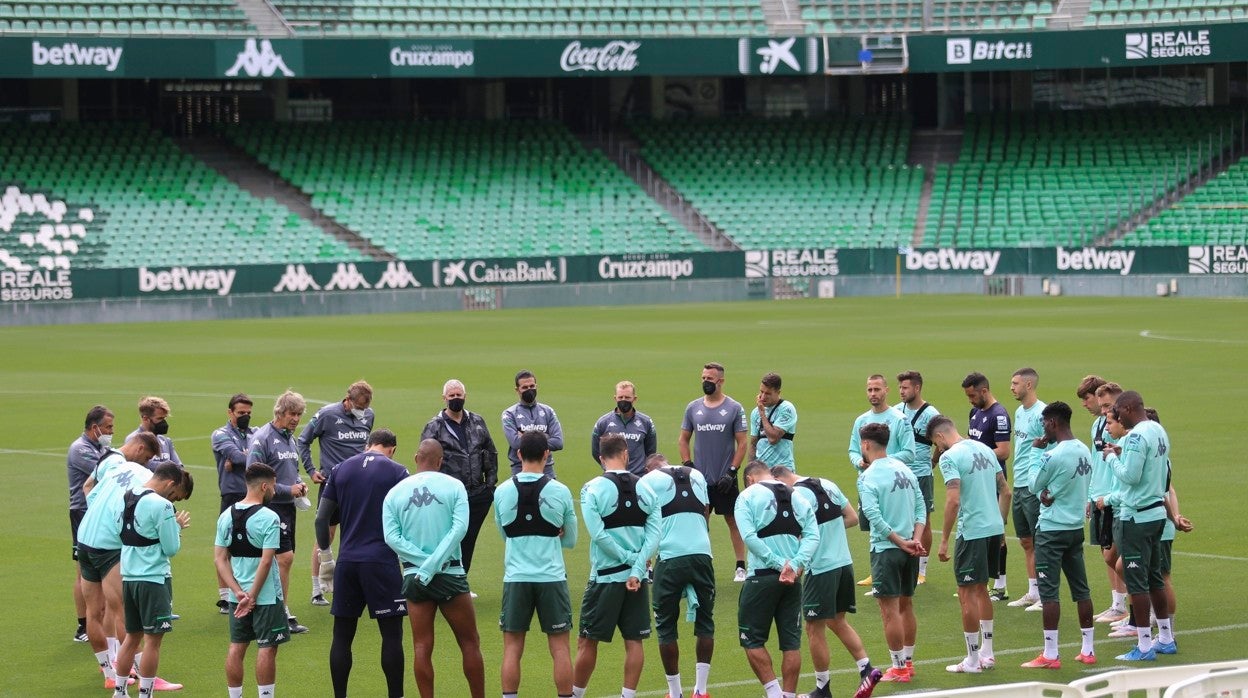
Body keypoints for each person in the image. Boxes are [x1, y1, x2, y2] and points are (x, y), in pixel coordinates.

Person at [382, 439, 485, 698]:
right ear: (440, 461)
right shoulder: (454, 486)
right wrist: (435, 563)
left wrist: (423, 563)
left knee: (421, 646)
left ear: (417, 457)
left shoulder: (395, 493)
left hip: (415, 577)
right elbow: (459, 529)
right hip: (450, 574)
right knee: (470, 643)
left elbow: (391, 538)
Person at [769, 466, 881, 698]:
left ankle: (823, 689)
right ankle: (866, 669)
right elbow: (851, 517)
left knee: (813, 628)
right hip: (844, 563)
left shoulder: (796, 495)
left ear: (779, 480)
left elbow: (798, 534)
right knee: (837, 621)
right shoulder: (828, 483)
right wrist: (829, 532)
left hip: (820, 569)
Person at [314, 429, 409, 698]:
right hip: (382, 562)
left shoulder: (340, 469)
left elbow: (322, 519)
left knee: (342, 636)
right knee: (391, 636)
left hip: (347, 562)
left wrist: (325, 558)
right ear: (391, 448)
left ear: (368, 445)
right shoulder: (397, 472)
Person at [571, 434, 661, 698]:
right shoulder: (647, 489)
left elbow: (598, 535)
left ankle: (575, 695)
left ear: (601, 458)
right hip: (637, 580)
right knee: (634, 641)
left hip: (604, 579)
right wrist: (636, 568)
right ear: (626, 454)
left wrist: (625, 559)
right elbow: (654, 535)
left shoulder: (591, 489)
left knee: (587, 641)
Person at [494, 431, 578, 698]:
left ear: (518, 454)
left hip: (516, 577)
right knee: (560, 648)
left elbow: (505, 534)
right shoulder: (561, 491)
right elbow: (571, 540)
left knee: (512, 648)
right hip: (551, 577)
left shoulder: (502, 491)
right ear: (547, 454)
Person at [77, 433, 159, 690]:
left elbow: (88, 487)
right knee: (124, 610)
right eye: (146, 457)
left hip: (86, 539)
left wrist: (98, 511)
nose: (145, 463)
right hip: (108, 546)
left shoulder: (108, 462)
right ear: (139, 447)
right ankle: (141, 671)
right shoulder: (130, 468)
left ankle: (108, 671)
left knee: (95, 611)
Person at [1021, 401, 1097, 669]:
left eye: (1044, 424)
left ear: (1052, 423)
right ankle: (1088, 649)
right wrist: (1050, 491)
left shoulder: (1052, 455)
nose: (1043, 429)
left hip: (1052, 531)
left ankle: (1050, 655)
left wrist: (1034, 451)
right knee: (1081, 590)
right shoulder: (1084, 450)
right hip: (1076, 529)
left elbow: (1032, 484)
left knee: (1049, 593)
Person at [928, 416, 1006, 675]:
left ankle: (972, 661)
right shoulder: (984, 448)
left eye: (935, 444)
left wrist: (943, 540)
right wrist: (1001, 525)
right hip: (994, 528)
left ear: (939, 437)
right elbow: (1005, 491)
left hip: (972, 531)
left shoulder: (950, 458)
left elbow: (953, 501)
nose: (937, 449)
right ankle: (988, 652)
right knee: (982, 589)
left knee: (966, 593)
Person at [734, 460, 819, 698]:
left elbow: (749, 538)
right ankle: (789, 695)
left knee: (751, 640)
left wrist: (779, 564)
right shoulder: (797, 496)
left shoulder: (747, 497)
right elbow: (813, 534)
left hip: (761, 578)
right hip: (792, 581)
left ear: (750, 479)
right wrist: (795, 564)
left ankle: (773, 693)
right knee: (791, 643)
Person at [1103, 390, 1175, 661]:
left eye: (1119, 412)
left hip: (1137, 517)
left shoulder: (1135, 435)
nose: (1117, 417)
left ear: (1130, 408)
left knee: (1137, 582)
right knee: (1155, 577)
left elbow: (1130, 476)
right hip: (1157, 513)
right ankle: (1166, 638)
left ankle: (1144, 646)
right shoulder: (1158, 431)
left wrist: (1112, 458)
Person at [112, 463, 193, 698]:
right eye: (174, 493)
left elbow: (122, 532)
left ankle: (120, 691)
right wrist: (175, 527)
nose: (173, 499)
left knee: (132, 636)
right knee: (153, 641)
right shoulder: (162, 505)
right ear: (171, 483)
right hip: (154, 579)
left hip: (129, 576)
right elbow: (171, 548)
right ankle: (145, 693)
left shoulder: (126, 496)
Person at [639, 454, 716, 698]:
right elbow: (705, 513)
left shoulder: (648, 480)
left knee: (666, 626)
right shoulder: (696, 474)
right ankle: (701, 691)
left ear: (649, 469)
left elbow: (645, 521)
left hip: (670, 558)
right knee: (706, 622)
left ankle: (674, 693)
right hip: (703, 555)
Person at [857, 424, 925, 684]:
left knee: (889, 610)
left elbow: (873, 516)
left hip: (887, 550)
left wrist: (898, 541)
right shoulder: (905, 469)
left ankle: (897, 668)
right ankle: (908, 662)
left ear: (866, 445)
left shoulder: (868, 476)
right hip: (911, 547)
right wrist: (914, 540)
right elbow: (920, 506)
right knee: (907, 604)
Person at [299, 380, 375, 606]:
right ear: (348, 400)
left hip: (360, 486)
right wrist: (311, 470)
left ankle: (353, 585)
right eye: (359, 406)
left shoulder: (369, 416)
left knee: (357, 535)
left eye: (366, 407)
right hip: (333, 485)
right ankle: (317, 588)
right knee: (326, 535)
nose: (363, 411)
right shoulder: (327, 414)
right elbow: (303, 441)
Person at [213, 463, 287, 698]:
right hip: (264, 596)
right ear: (264, 486)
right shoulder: (269, 517)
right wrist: (253, 596)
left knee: (237, 647)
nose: (274, 492)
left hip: (239, 597)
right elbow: (266, 562)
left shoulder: (225, 516)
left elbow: (220, 560)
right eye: (273, 487)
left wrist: (238, 593)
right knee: (267, 647)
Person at [679, 362, 750, 582]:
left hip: (725, 478)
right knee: (700, 521)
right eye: (703, 378)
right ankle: (700, 563)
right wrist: (688, 465)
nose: (705, 382)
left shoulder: (734, 408)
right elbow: (683, 439)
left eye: (709, 378)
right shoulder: (693, 408)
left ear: (721, 381)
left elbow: (743, 443)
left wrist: (731, 472)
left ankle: (740, 566)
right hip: (700, 479)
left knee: (733, 520)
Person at [247, 390, 310, 635]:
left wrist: (299, 484)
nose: (296, 419)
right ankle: (280, 611)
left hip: (286, 508)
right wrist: (288, 489)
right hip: (268, 509)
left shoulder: (289, 438)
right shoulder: (262, 438)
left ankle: (270, 607)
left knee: (280, 559)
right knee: (284, 558)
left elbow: (290, 470)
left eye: (299, 414)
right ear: (280, 413)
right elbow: (253, 476)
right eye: (292, 414)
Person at [421, 379, 498, 579]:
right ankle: (443, 576)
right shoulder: (434, 426)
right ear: (444, 398)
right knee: (449, 537)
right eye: (452, 396)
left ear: (465, 396)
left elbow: (490, 451)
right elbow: (426, 459)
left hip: (478, 493)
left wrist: (490, 485)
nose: (456, 399)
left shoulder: (477, 421)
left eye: (459, 395)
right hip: (448, 495)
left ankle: (461, 577)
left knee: (469, 537)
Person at [848, 375, 914, 590]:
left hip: (893, 484)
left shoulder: (899, 419)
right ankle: (877, 572)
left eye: (877, 389)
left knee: (893, 523)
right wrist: (860, 461)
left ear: (887, 390)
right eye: (869, 390)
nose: (873, 394)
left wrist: (882, 462)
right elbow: (852, 450)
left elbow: (909, 453)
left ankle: (900, 571)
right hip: (868, 481)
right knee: (873, 526)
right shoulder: (861, 420)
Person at [963, 372, 1012, 601]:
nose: (970, 400)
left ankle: (1000, 585)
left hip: (993, 479)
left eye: (972, 395)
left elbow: (1003, 451)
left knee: (995, 532)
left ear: (984, 391)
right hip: (977, 479)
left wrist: (975, 453)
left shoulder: (999, 415)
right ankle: (980, 582)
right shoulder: (975, 412)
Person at [69, 404, 115, 643]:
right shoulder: (80, 449)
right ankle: (83, 625)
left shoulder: (101, 447)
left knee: (99, 570)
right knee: (83, 571)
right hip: (83, 511)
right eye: (108, 427)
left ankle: (101, 619)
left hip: (99, 511)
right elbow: (107, 473)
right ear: (95, 427)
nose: (111, 432)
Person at [1006, 368, 1051, 612]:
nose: (1012, 387)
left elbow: (1049, 447)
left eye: (1015, 383)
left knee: (1040, 540)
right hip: (1019, 483)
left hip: (1034, 485)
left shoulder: (1041, 413)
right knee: (1025, 540)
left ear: (1029, 385)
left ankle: (1046, 594)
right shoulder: (1019, 412)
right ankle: (1033, 592)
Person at [1087, 380, 1129, 624]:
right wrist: (1091, 494)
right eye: (1101, 406)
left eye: (1107, 405)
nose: (1104, 411)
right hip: (1101, 494)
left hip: (1116, 498)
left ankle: (1133, 611)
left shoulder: (1127, 433)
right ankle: (1118, 604)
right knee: (1108, 555)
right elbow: (1095, 459)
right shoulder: (1100, 424)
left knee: (1119, 557)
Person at [895, 371, 940, 584]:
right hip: (899, 475)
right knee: (896, 518)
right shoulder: (896, 411)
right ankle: (896, 565)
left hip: (921, 474)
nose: (902, 391)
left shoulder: (931, 414)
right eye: (900, 388)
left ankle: (922, 569)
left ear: (917, 388)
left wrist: (932, 462)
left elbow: (942, 441)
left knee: (924, 520)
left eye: (905, 388)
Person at [214, 394, 256, 614]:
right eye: (241, 413)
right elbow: (239, 458)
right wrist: (246, 456)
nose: (245, 417)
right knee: (227, 545)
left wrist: (242, 457)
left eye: (248, 413)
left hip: (254, 494)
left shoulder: (255, 433)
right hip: (232, 494)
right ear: (230, 412)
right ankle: (224, 597)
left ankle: (248, 590)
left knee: (252, 544)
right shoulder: (220, 434)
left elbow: (246, 459)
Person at [502, 370, 564, 478]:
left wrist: (525, 437)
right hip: (520, 472)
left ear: (536, 386)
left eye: (532, 386)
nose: (529, 390)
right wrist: (545, 436)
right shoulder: (509, 414)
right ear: (517, 390)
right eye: (525, 387)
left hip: (547, 472)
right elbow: (516, 443)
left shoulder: (548, 411)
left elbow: (558, 442)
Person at [591, 380, 658, 475]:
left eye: (627, 397)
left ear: (634, 399)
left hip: (638, 477)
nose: (623, 400)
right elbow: (596, 451)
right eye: (620, 397)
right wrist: (608, 467)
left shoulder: (646, 422)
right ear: (615, 398)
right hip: (613, 477)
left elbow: (651, 452)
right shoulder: (603, 422)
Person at [749, 372, 798, 471]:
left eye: (767, 393)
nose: (762, 397)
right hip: (762, 471)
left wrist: (762, 414)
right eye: (761, 392)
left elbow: (773, 438)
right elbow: (753, 444)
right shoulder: (755, 412)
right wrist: (750, 471)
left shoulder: (786, 409)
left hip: (783, 470)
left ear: (778, 392)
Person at [127, 396, 182, 469]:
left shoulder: (166, 441)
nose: (163, 422)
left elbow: (179, 467)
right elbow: (138, 466)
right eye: (160, 418)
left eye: (164, 418)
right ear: (146, 419)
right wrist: (169, 468)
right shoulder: (133, 440)